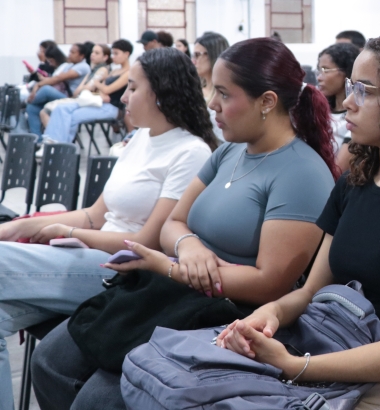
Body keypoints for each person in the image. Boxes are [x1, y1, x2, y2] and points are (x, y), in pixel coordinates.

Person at [31, 37, 339, 409]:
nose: (212, 105)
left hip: (225, 314)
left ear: (267, 102)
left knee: (97, 400)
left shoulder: (302, 173)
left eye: (224, 94)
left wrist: (175, 267)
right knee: (49, 362)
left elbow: (267, 284)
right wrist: (189, 247)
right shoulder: (229, 151)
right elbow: (173, 223)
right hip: (170, 292)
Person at [214, 31, 380, 410]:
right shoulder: (358, 177)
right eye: (351, 87)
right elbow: (310, 292)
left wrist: (299, 366)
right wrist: (270, 313)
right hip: (326, 347)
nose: (347, 104)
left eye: (365, 91)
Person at [0, 47, 218, 410]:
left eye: (132, 87)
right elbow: (93, 215)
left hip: (124, 272)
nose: (122, 96)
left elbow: (146, 244)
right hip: (88, 254)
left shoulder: (190, 152)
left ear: (162, 93)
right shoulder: (142, 138)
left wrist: (67, 234)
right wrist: (29, 226)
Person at [40, 40, 132, 146]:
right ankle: (53, 143)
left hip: (112, 107)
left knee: (72, 116)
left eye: (116, 53)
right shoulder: (114, 71)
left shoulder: (127, 72)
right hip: (101, 102)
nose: (113, 56)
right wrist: (98, 85)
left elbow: (107, 90)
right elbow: (101, 90)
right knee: (62, 110)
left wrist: (96, 83)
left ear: (126, 54)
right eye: (112, 53)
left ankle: (62, 147)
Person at [37, 43, 112, 129]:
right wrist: (82, 89)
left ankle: (56, 139)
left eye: (97, 53)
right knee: (43, 110)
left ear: (105, 57)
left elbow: (88, 87)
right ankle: (52, 138)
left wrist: (82, 89)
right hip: (79, 98)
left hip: (89, 102)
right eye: (92, 52)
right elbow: (78, 90)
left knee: (50, 105)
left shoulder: (102, 69)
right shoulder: (91, 70)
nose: (92, 55)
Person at [25, 43, 92, 135]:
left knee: (46, 90)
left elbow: (58, 78)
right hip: (60, 93)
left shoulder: (83, 67)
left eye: (73, 52)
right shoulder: (69, 65)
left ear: (82, 55)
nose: (69, 54)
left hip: (71, 97)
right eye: (69, 51)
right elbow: (54, 78)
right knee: (32, 108)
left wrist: (38, 85)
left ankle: (24, 101)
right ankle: (37, 139)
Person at [316, 42, 359, 169]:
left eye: (326, 70)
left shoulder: (356, 116)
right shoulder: (318, 111)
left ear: (346, 72)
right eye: (319, 70)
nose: (319, 77)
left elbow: (338, 170)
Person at [194, 31, 230, 142]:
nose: (193, 61)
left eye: (197, 55)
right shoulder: (195, 91)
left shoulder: (229, 94)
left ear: (213, 55)